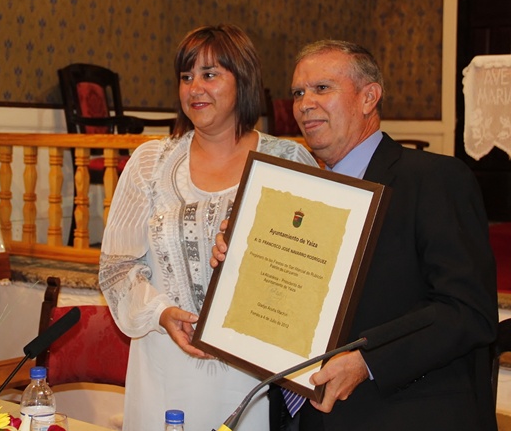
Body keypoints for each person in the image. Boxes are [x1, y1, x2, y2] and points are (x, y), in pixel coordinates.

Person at [213, 40, 498, 430]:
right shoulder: (296, 195)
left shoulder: (434, 179)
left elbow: (467, 311)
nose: (304, 103)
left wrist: (368, 361)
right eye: (298, 93)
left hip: (402, 414)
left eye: (322, 88)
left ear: (369, 98)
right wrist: (240, 262)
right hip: (305, 418)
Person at [98, 24, 319, 431]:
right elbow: (115, 269)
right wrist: (161, 312)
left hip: (250, 375)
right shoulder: (150, 162)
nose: (195, 88)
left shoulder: (287, 161)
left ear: (244, 81)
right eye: (186, 77)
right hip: (162, 365)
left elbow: (312, 274)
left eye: (210, 74)